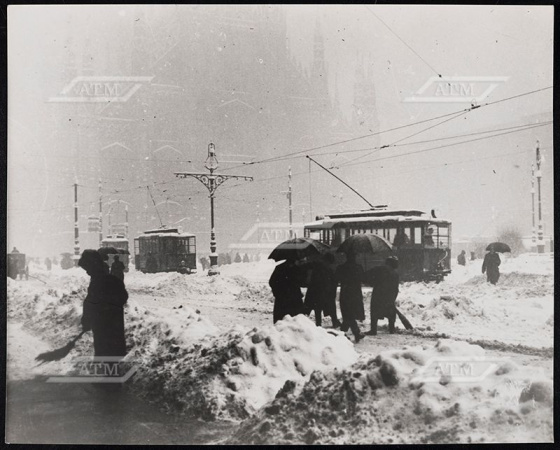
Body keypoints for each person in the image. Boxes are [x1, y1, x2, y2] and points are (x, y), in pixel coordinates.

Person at [78, 250, 128, 362]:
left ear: (92, 265)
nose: (87, 272)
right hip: (109, 325)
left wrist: (100, 311)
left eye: (87, 269)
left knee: (106, 353)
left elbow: (92, 301)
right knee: (109, 354)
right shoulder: (105, 279)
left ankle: (108, 377)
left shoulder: (101, 281)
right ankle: (108, 375)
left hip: (105, 325)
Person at [303, 253, 341, 328]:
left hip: (318, 293)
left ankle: (321, 323)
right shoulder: (325, 269)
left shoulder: (320, 268)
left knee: (319, 309)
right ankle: (326, 323)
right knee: (321, 308)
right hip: (321, 293)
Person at [364, 257, 400, 335]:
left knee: (375, 312)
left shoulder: (379, 269)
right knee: (390, 312)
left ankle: (373, 330)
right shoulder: (395, 273)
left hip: (378, 294)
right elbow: (396, 288)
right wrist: (393, 298)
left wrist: (371, 282)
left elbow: (368, 277)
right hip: (389, 296)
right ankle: (391, 329)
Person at [335, 252, 365, 343]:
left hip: (345, 292)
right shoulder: (358, 267)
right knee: (351, 314)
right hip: (355, 293)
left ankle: (344, 333)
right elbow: (363, 278)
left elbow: (337, 278)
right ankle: (351, 333)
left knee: (347, 313)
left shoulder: (341, 268)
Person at [269, 258, 306, 324]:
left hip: (282, 299)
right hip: (294, 298)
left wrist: (277, 293)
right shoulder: (296, 269)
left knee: (281, 322)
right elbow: (302, 282)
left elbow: (272, 282)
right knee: (297, 321)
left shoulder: (279, 268)